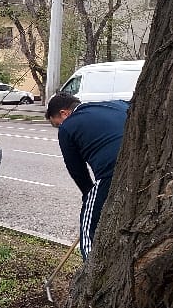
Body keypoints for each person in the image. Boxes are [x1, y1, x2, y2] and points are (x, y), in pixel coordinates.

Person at [46, 93, 130, 259]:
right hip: (148, 165)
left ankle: (90, 272)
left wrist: (89, 193)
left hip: (112, 170)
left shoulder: (67, 126)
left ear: (64, 113)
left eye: (57, 123)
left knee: (88, 225)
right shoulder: (116, 104)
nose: (59, 127)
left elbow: (76, 169)